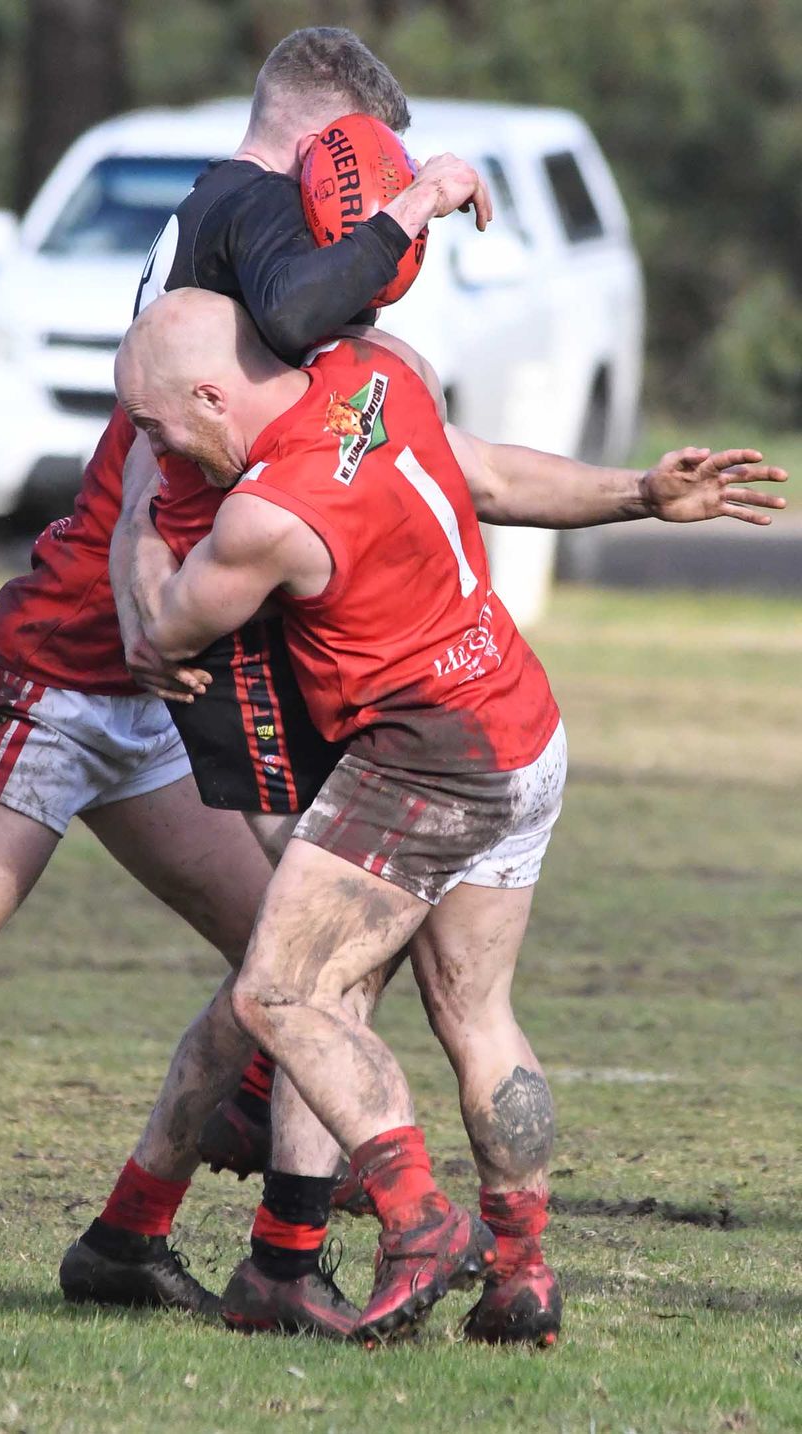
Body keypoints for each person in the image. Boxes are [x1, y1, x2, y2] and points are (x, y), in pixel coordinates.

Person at [0, 27, 495, 1336]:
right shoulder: (246, 207)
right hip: (56, 668)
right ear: (327, 145)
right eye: (362, 162)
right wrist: (413, 201)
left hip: (161, 684)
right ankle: (266, 1210)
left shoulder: (225, 227)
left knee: (294, 959)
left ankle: (206, 1247)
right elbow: (302, 312)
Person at [116, 286, 788, 1343]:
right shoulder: (376, 374)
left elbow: (160, 633)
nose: (156, 448)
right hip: (519, 720)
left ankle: (416, 1214)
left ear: (210, 395)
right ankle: (520, 1275)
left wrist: (132, 522)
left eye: (154, 427)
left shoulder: (264, 516)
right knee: (474, 1012)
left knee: (284, 992)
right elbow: (492, 476)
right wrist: (641, 491)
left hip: (429, 758)